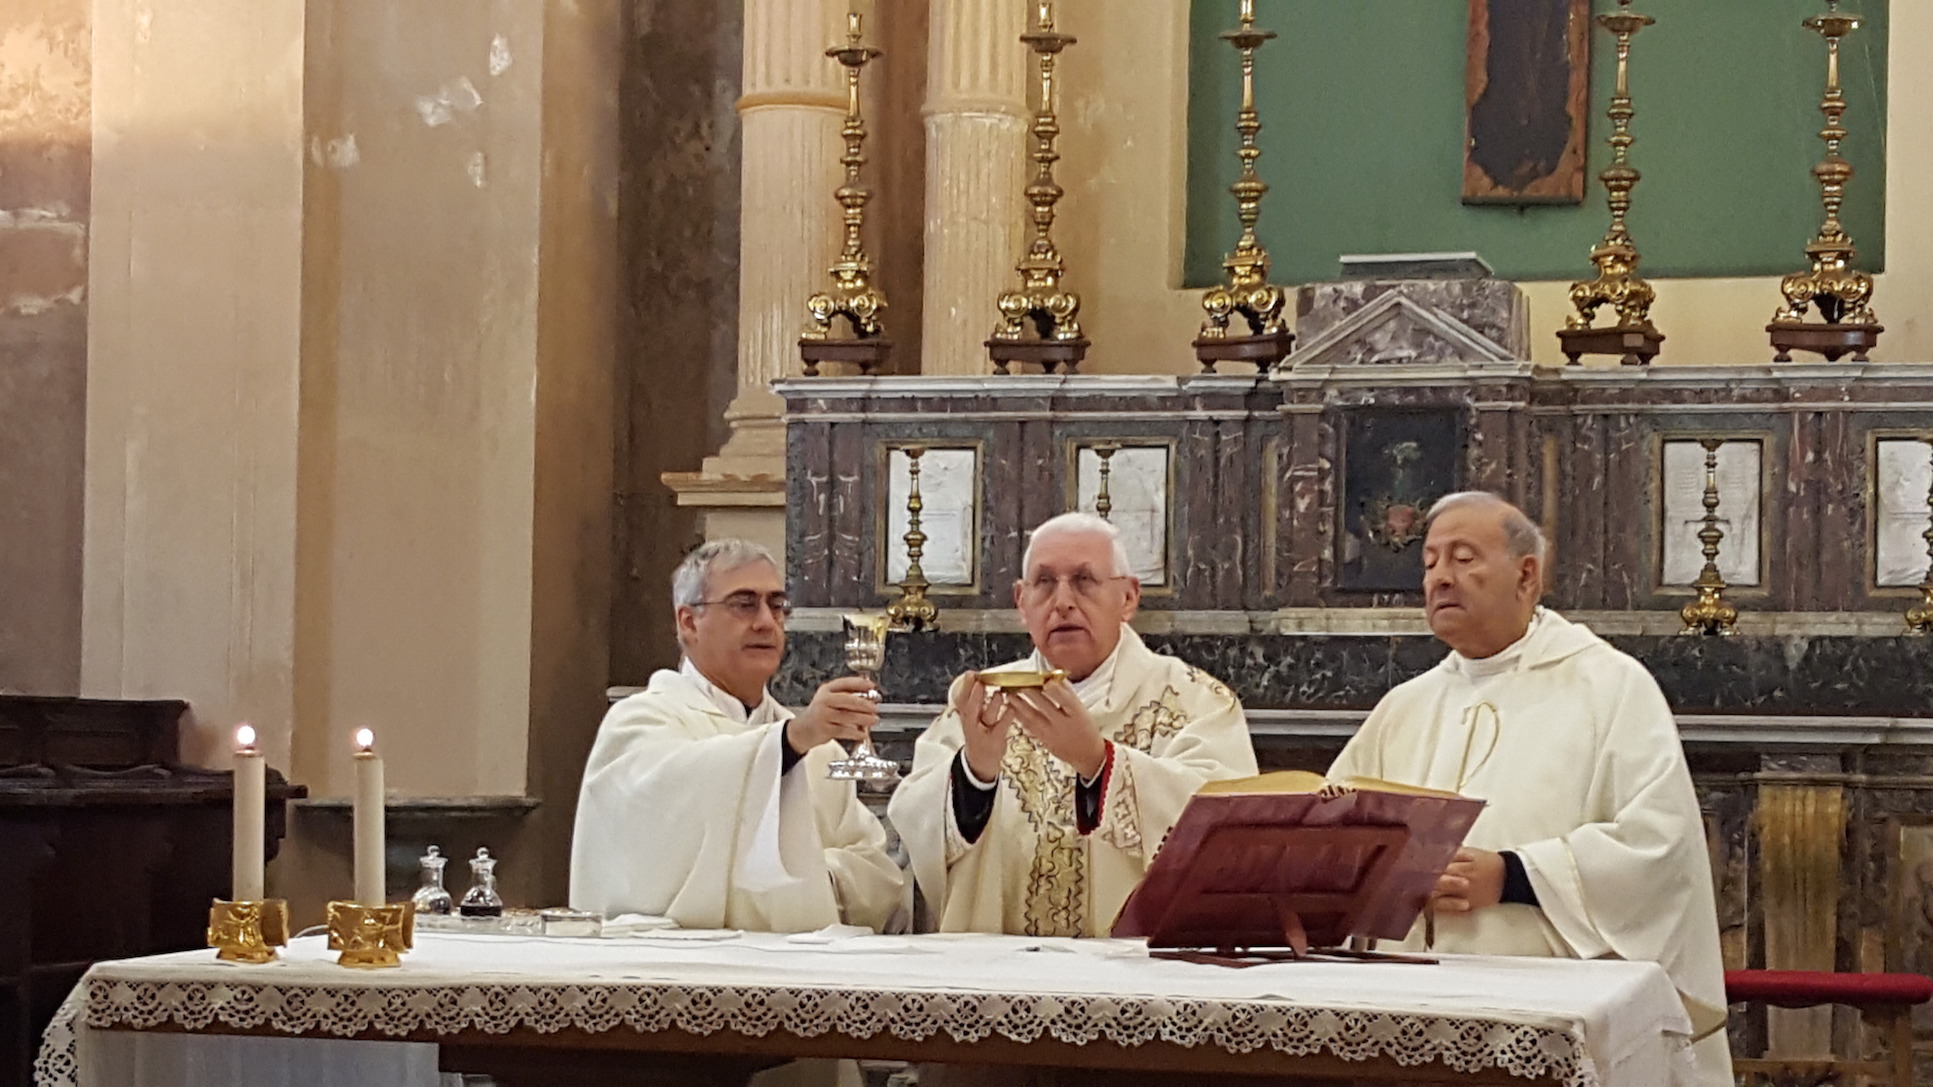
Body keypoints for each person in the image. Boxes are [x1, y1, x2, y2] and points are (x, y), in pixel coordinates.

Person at [1327, 492, 1732, 1086]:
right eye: (1431, 562)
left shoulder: (1610, 687)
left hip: (1543, 1018)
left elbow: (1661, 848)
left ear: (1527, 574)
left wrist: (1514, 875)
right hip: (1403, 1010)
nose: (1441, 577)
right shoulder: (1406, 706)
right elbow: (1332, 830)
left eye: (1463, 558)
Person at [889, 512, 1258, 937]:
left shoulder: (1195, 701)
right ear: (1021, 602)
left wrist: (1100, 763)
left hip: (1137, 983)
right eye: (1044, 583)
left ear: (1128, 598)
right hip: (999, 978)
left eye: (1084, 580)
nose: (1062, 601)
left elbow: (1228, 833)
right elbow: (913, 829)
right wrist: (975, 777)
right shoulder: (979, 701)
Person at [569, 539, 904, 934]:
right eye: (744, 604)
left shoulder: (816, 750)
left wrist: (814, 878)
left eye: (776, 605)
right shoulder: (641, 723)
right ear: (688, 622)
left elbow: (877, 873)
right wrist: (788, 742)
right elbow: (645, 842)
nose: (765, 621)